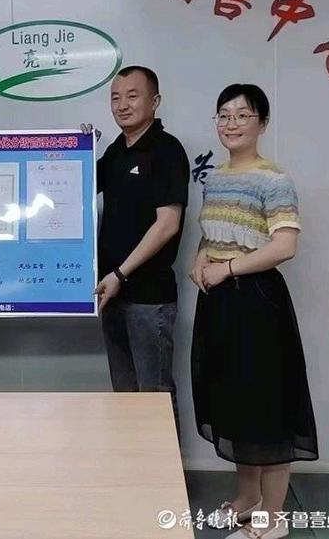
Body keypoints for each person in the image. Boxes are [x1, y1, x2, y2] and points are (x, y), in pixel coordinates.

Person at [189, 84, 318, 538]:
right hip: (220, 303)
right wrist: (201, 258)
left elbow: (285, 245)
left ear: (262, 123)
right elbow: (214, 232)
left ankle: (273, 518)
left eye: (243, 116)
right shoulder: (217, 178)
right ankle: (247, 500)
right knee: (234, 404)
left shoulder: (273, 179)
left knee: (267, 410)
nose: (232, 124)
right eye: (224, 115)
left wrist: (226, 268)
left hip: (258, 303)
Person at [94, 65, 189, 424]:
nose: (122, 105)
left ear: (155, 101)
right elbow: (73, 185)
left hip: (149, 299)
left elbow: (167, 224)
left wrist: (120, 273)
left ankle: (167, 465)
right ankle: (131, 464)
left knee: (154, 397)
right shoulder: (115, 151)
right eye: (115, 98)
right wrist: (77, 147)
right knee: (125, 397)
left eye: (132, 96)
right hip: (112, 294)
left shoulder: (167, 151)